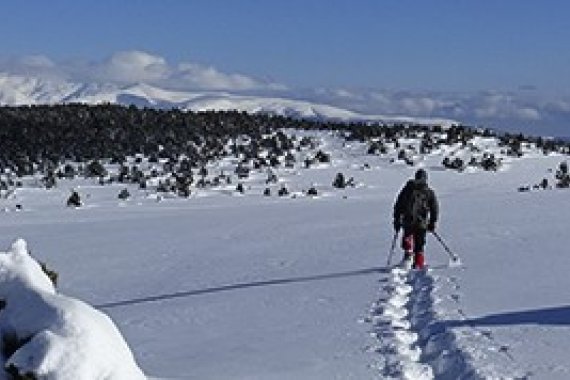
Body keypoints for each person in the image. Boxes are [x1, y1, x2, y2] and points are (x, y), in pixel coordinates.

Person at [393, 169, 439, 270]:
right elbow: (434, 209)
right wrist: (432, 222)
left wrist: (396, 220)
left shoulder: (407, 189)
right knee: (420, 244)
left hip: (408, 220)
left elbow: (398, 205)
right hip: (421, 222)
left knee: (408, 237)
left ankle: (408, 255)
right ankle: (418, 264)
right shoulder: (429, 192)